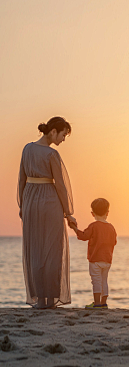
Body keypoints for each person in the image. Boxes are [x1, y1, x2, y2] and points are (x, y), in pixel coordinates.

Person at [17, 116, 77, 309]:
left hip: (30, 202)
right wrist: (68, 212)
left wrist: (22, 205)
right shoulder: (52, 155)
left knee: (35, 250)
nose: (63, 140)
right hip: (50, 202)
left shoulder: (27, 149)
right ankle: (50, 299)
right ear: (53, 132)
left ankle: (40, 300)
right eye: (63, 135)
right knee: (52, 250)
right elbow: (60, 185)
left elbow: (21, 180)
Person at [69, 198, 117, 309]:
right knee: (104, 280)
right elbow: (114, 242)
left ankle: (97, 304)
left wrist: (74, 228)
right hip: (107, 260)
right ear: (107, 213)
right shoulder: (111, 228)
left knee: (96, 280)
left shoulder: (93, 226)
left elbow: (83, 236)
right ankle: (104, 303)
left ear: (92, 213)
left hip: (95, 259)